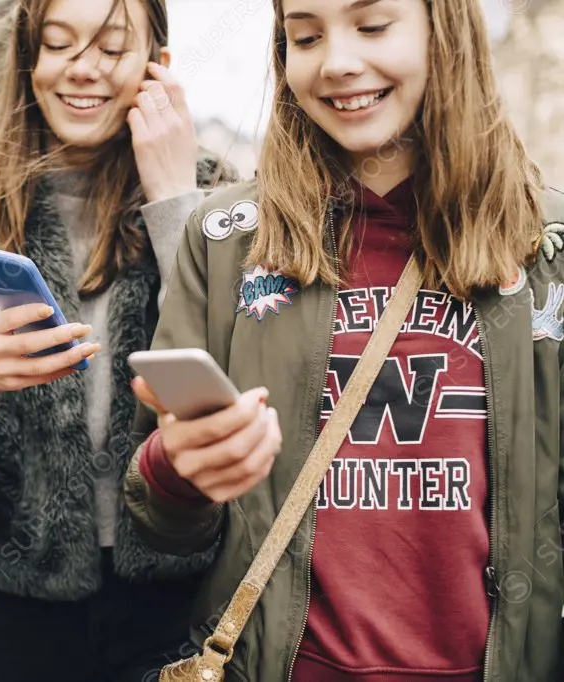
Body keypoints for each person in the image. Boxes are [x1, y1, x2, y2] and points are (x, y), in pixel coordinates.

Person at [125, 0, 564, 680]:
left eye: (371, 26)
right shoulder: (224, 241)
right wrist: (174, 474)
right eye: (304, 36)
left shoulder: (547, 247)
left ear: (443, 31)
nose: (335, 63)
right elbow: (159, 526)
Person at [0, 0, 234, 678]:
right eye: (57, 43)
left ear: (155, 67)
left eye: (111, 46)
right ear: (29, 62)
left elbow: (230, 385)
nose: (81, 69)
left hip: (181, 589)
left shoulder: (221, 208)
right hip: (19, 604)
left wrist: (172, 200)